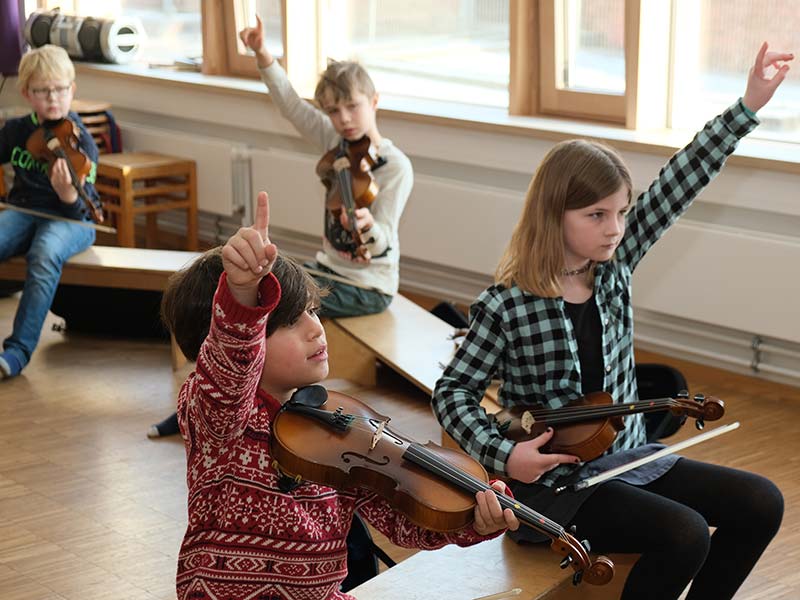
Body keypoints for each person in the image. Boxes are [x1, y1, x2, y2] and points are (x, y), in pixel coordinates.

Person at [431, 42, 790, 600]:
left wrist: (747, 105)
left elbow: (680, 181)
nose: (615, 227)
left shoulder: (614, 266)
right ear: (555, 216)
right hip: (551, 484)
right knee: (684, 534)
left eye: (620, 211)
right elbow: (452, 393)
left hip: (628, 459)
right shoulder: (505, 304)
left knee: (762, 501)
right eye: (596, 215)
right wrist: (508, 456)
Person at [164, 191, 518, 599]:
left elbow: (399, 518)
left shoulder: (336, 425)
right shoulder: (216, 419)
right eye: (289, 322)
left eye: (313, 311)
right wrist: (242, 297)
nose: (316, 329)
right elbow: (228, 371)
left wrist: (472, 518)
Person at [147, 13, 413, 437]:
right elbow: (290, 104)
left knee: (272, 310)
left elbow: (384, 238)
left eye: (353, 106)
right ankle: (206, 397)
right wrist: (261, 52)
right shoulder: (335, 145)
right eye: (333, 110)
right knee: (256, 286)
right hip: (329, 268)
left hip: (368, 285)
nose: (343, 118)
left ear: (374, 101)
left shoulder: (394, 167)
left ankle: (245, 403)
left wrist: (368, 225)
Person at [0, 45, 100, 379]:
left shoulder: (81, 141)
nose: (53, 98)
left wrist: (67, 193)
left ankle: (17, 351)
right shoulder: (16, 130)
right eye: (43, 91)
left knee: (44, 254)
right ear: (28, 93)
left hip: (73, 219)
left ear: (71, 89)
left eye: (60, 89)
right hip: (22, 210)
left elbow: (80, 205)